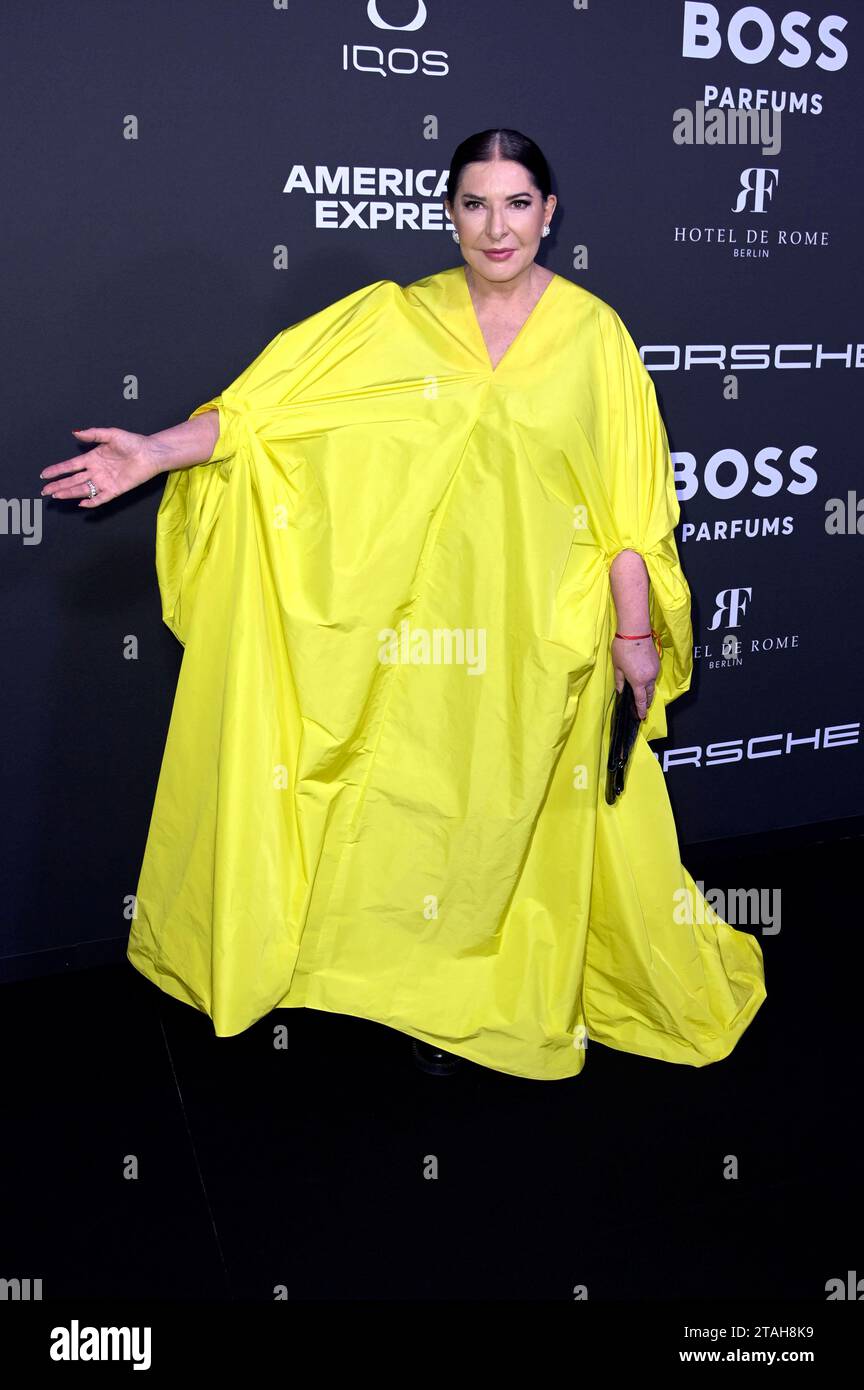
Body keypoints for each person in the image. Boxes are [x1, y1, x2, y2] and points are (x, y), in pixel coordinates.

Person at [39, 128, 766, 1080]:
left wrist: (636, 635)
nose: (495, 226)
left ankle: (487, 997)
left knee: (511, 818)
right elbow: (268, 414)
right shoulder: (392, 320)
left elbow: (630, 513)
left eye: (516, 204)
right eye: (474, 204)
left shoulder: (596, 337)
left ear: (550, 214)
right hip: (411, 636)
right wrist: (154, 452)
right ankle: (404, 990)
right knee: (415, 810)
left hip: (541, 638)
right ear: (449, 214)